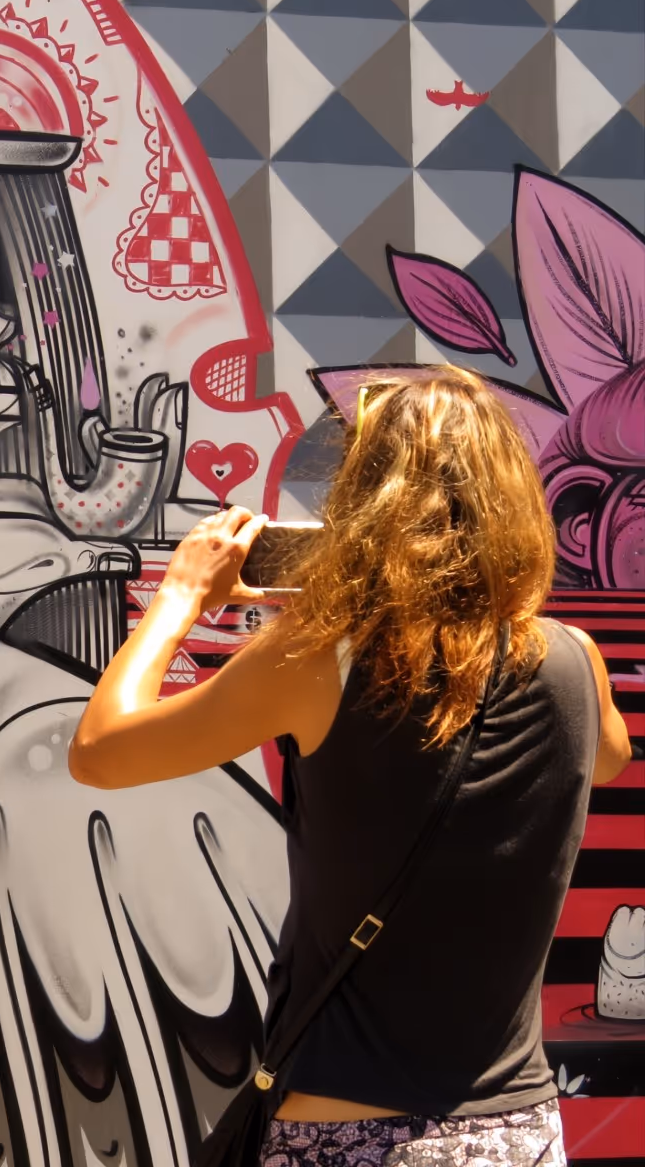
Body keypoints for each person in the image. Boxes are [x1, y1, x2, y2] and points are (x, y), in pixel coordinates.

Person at [68, 366, 632, 1167]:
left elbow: (101, 751)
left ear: (366, 504)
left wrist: (180, 599)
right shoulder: (575, 660)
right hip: (515, 1132)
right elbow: (603, 757)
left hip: (350, 1131)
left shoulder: (314, 661)